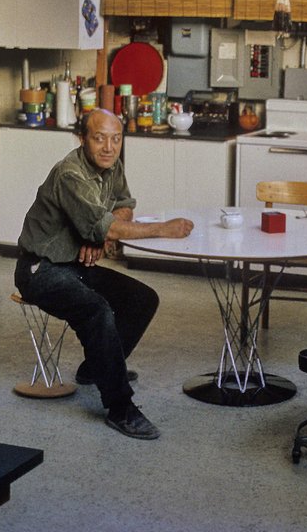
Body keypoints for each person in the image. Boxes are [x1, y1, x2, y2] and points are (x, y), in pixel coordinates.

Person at [15, 108, 193, 439]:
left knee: (142, 299)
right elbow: (104, 225)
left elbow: (123, 206)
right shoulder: (71, 175)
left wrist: (99, 236)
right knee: (97, 310)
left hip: (75, 263)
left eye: (116, 138)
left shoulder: (111, 164)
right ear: (82, 139)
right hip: (40, 268)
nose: (109, 147)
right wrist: (161, 229)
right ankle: (120, 408)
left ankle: (95, 369)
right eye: (99, 138)